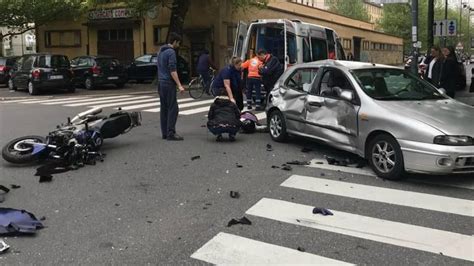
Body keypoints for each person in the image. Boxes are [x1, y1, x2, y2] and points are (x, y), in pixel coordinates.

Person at [157, 32, 185, 141]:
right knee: (173, 108)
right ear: (175, 42)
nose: (179, 45)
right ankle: (171, 133)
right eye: (178, 43)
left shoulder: (160, 51)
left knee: (164, 108)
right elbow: (173, 70)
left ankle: (164, 133)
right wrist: (179, 85)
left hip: (161, 83)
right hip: (168, 83)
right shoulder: (171, 52)